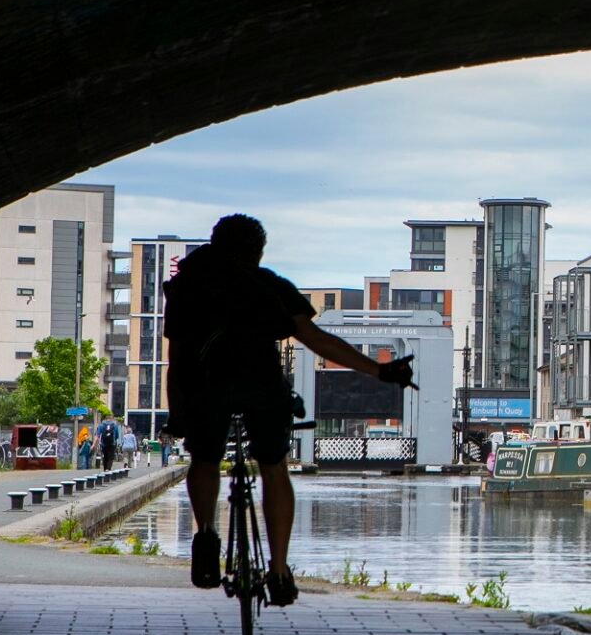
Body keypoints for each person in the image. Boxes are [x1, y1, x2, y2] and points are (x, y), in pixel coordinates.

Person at [165, 214, 414, 606]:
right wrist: (380, 371)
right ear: (258, 251)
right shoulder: (270, 286)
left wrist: (177, 410)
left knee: (205, 457)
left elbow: (176, 355)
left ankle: (207, 536)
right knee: (274, 466)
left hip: (206, 386)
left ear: (215, 244)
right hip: (261, 385)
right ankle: (278, 570)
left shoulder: (188, 286)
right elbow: (315, 339)